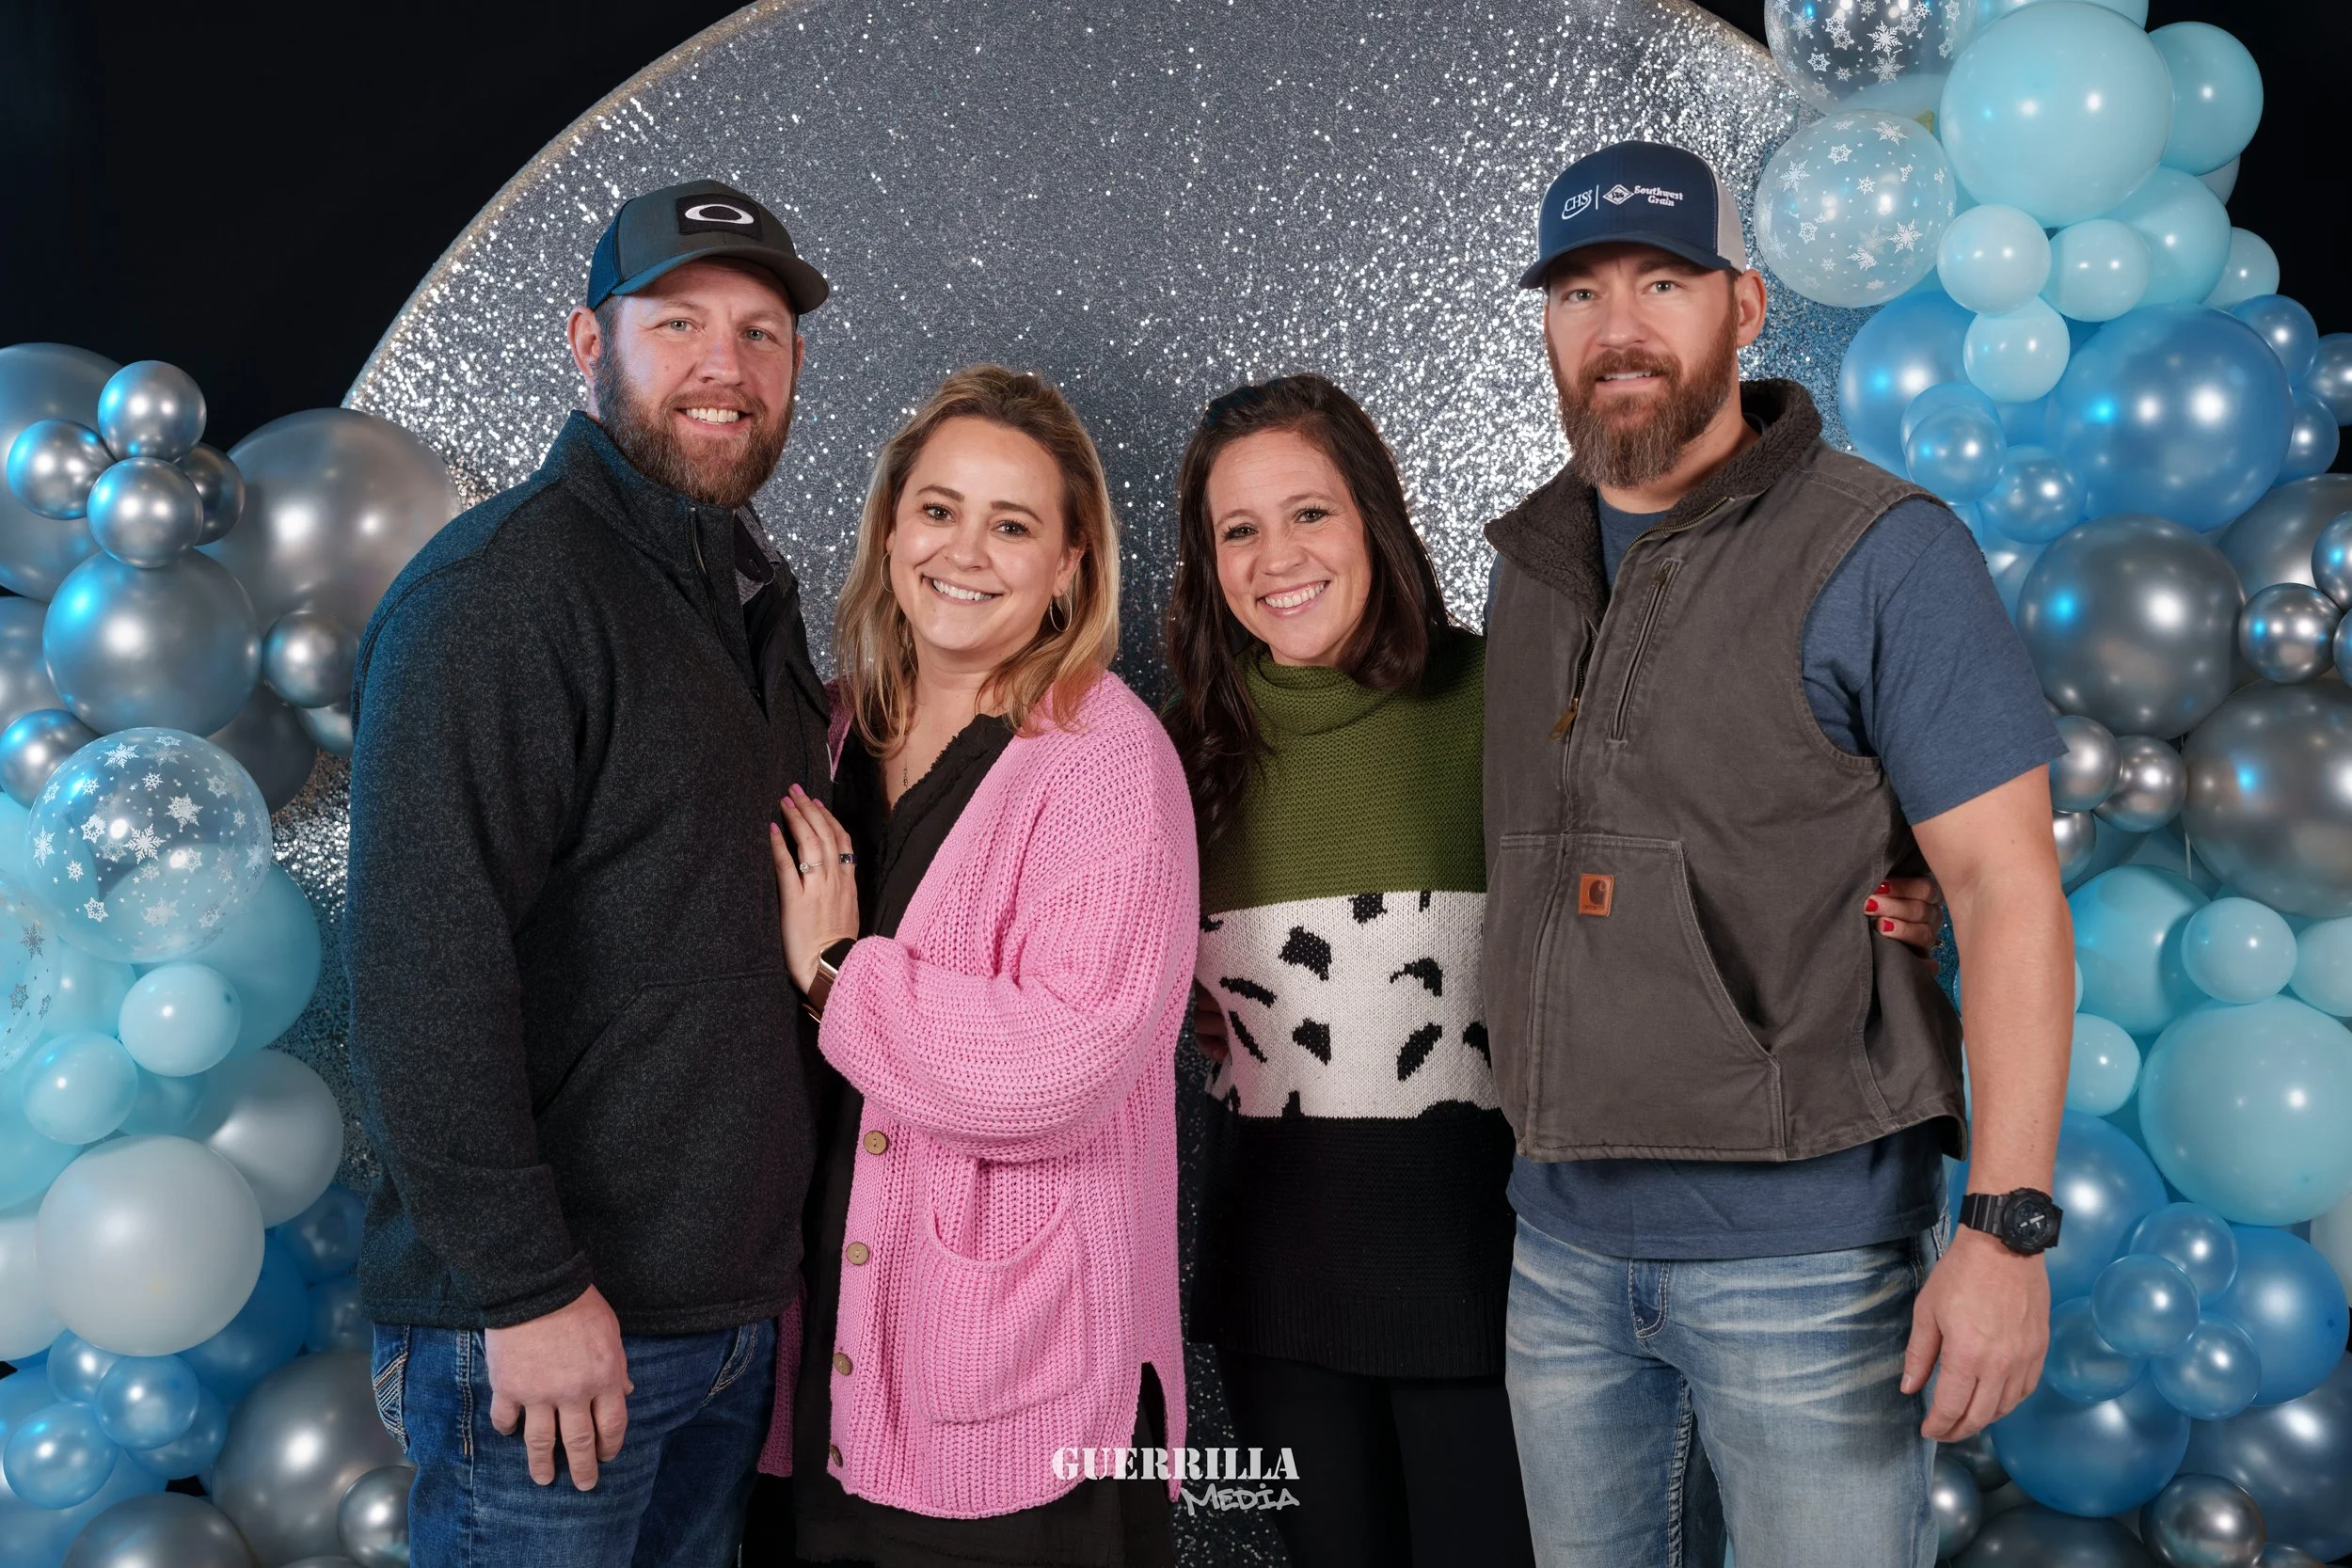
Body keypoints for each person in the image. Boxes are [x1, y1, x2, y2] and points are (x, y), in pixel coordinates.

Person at [1161, 376, 1947, 1566]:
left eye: (1310, 511)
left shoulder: (1505, 696)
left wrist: (1898, 874)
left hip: (1498, 1274)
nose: (1279, 555)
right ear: (1205, 562)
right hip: (1276, 1288)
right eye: (1239, 529)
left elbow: (1700, 815)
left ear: (1374, 516)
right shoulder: (1175, 754)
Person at [1485, 141, 2074, 1568]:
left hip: (1805, 1265)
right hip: (1557, 1249)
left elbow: (2005, 889)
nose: (1616, 325)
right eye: (1577, 292)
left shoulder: (1881, 551)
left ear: (1745, 307)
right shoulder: (1533, 563)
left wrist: (2005, 1231)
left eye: (1663, 281)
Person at [346, 178, 836, 1568]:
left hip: (726, 1323)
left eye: (760, 332)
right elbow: (422, 972)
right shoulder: (504, 592)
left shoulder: (748, 601)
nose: (723, 368)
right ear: (586, 344)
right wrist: (530, 1285)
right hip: (553, 1337)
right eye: (676, 322)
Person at [755, 365, 1197, 1567]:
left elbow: (1064, 1062)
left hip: (1018, 1384)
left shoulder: (1103, 756)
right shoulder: (828, 729)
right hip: (825, 1363)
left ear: (1068, 565)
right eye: (939, 509)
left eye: (1013, 525)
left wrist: (838, 974)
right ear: (892, 526)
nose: (966, 550)